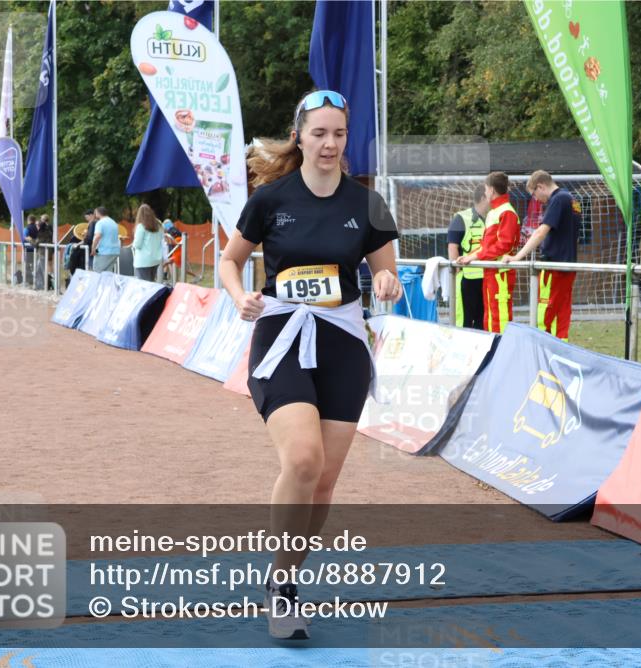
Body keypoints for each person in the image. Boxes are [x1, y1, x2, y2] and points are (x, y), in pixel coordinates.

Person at [218, 89, 400, 641]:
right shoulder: (270, 198)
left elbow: (386, 271)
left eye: (338, 134)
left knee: (322, 483)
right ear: (299, 136)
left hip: (344, 342)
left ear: (348, 139)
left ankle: (286, 582)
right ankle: (279, 586)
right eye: (319, 133)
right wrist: (236, 296)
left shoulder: (367, 203)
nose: (329, 143)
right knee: (301, 459)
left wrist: (387, 283)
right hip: (281, 338)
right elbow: (230, 260)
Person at [505, 170, 583, 341]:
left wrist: (517, 256)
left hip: (553, 267)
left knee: (545, 314)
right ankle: (559, 351)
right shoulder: (571, 199)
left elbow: (541, 232)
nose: (536, 199)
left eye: (534, 194)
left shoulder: (558, 199)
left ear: (540, 186)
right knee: (561, 315)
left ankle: (542, 348)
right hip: (567, 266)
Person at [456, 171, 520, 333]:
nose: (484, 192)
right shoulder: (495, 212)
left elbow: (504, 245)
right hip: (492, 271)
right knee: (490, 315)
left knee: (500, 316)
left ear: (491, 190)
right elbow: (486, 244)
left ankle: (503, 352)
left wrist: (476, 256)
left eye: (485, 189)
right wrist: (470, 256)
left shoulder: (507, 212)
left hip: (501, 273)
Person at [446, 185, 488, 329]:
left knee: (483, 322)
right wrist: (457, 272)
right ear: (483, 198)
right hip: (468, 280)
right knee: (465, 322)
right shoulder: (462, 218)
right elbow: (453, 247)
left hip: (487, 278)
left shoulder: (492, 218)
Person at [131, 204, 165, 281]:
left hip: (143, 261)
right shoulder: (159, 225)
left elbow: (137, 244)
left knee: (144, 286)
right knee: (151, 283)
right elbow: (162, 238)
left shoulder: (141, 226)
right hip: (155, 259)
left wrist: (133, 244)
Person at [66, 209, 96, 276]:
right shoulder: (92, 224)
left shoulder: (93, 223)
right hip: (91, 247)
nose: (86, 219)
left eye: (86, 217)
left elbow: (90, 238)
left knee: (90, 267)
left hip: (90, 248)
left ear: (91, 215)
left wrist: (81, 243)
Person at [91, 206, 120, 273]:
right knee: (108, 274)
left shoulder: (100, 223)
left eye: (95, 213)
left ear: (98, 213)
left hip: (103, 251)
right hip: (115, 251)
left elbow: (97, 236)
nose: (95, 215)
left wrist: (93, 249)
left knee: (97, 273)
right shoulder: (114, 222)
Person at [23, 214, 40, 287]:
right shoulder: (37, 228)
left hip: (28, 249)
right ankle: (35, 280)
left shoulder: (27, 228)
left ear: (28, 220)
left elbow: (25, 237)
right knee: (34, 265)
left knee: (27, 265)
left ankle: (29, 280)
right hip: (36, 249)